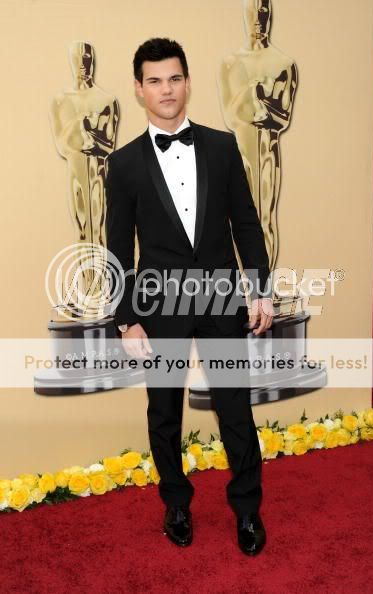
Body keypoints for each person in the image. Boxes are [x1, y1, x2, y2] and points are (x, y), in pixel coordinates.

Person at [105, 37, 274, 556]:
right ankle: (176, 502)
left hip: (222, 297)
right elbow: (118, 247)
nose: (166, 89)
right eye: (154, 80)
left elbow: (247, 224)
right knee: (164, 410)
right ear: (139, 89)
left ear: (187, 82)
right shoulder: (125, 162)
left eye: (174, 78)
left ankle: (247, 511)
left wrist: (261, 290)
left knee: (235, 409)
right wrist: (127, 319)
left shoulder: (224, 147)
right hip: (160, 305)